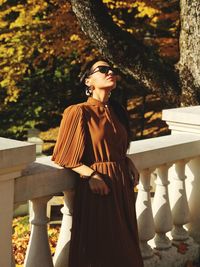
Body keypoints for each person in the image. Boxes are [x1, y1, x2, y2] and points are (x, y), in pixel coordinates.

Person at [52, 58, 144, 267]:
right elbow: (64, 155)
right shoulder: (78, 112)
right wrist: (90, 175)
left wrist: (126, 160)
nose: (110, 72)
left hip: (121, 187)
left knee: (127, 250)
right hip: (99, 190)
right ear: (88, 81)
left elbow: (114, 146)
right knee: (102, 251)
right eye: (102, 69)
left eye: (112, 69)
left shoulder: (117, 111)